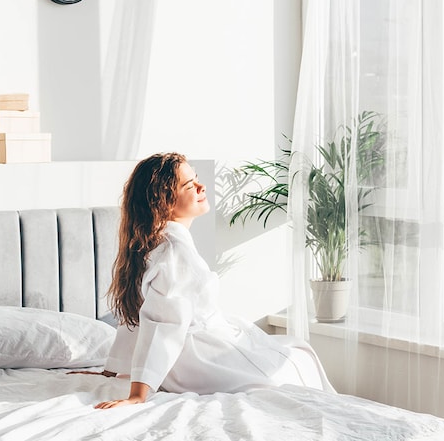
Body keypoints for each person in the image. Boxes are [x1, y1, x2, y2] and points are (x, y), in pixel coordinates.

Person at [92, 152, 334, 409]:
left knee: (294, 350)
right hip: (199, 360)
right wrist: (138, 394)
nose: (201, 186)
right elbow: (161, 323)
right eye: (189, 185)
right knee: (295, 359)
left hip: (190, 356)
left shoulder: (154, 244)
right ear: (163, 202)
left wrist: (112, 369)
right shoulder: (175, 251)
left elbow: (139, 319)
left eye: (196, 178)